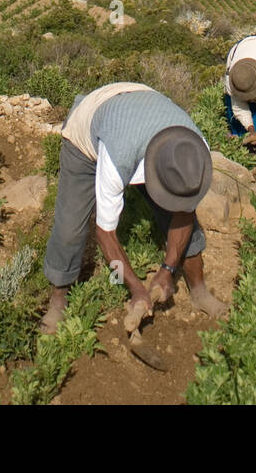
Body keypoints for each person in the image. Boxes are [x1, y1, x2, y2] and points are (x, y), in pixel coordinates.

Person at [40, 81, 228, 334]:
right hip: (87, 131)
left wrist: (168, 269)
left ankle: (199, 290)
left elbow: (185, 213)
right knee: (71, 227)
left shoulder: (193, 150)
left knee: (187, 222)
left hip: (142, 108)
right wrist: (136, 289)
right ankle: (59, 298)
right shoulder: (119, 158)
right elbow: (105, 234)